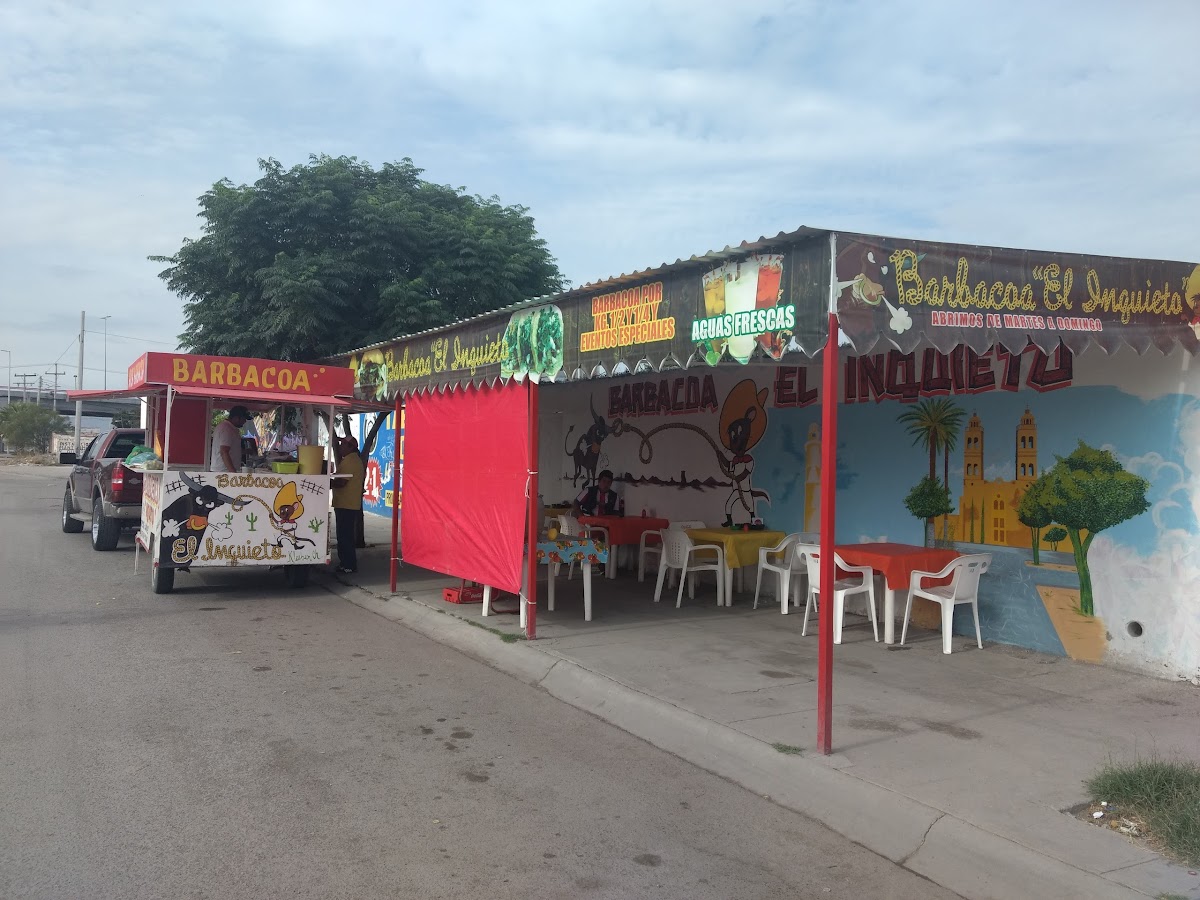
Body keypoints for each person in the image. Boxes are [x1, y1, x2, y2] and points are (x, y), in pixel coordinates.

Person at [332, 436, 365, 574]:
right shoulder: (349, 460)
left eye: (343, 444)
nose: (340, 447)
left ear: (351, 447)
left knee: (345, 536)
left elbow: (342, 482)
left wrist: (325, 482)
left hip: (347, 504)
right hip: (345, 503)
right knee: (344, 536)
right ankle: (345, 563)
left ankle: (349, 565)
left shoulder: (351, 461)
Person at [210, 405, 250, 473]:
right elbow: (224, 451)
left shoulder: (231, 428)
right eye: (244, 419)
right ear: (236, 418)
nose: (245, 421)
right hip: (223, 471)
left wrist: (244, 451)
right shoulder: (226, 429)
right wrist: (233, 472)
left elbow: (230, 449)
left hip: (226, 470)